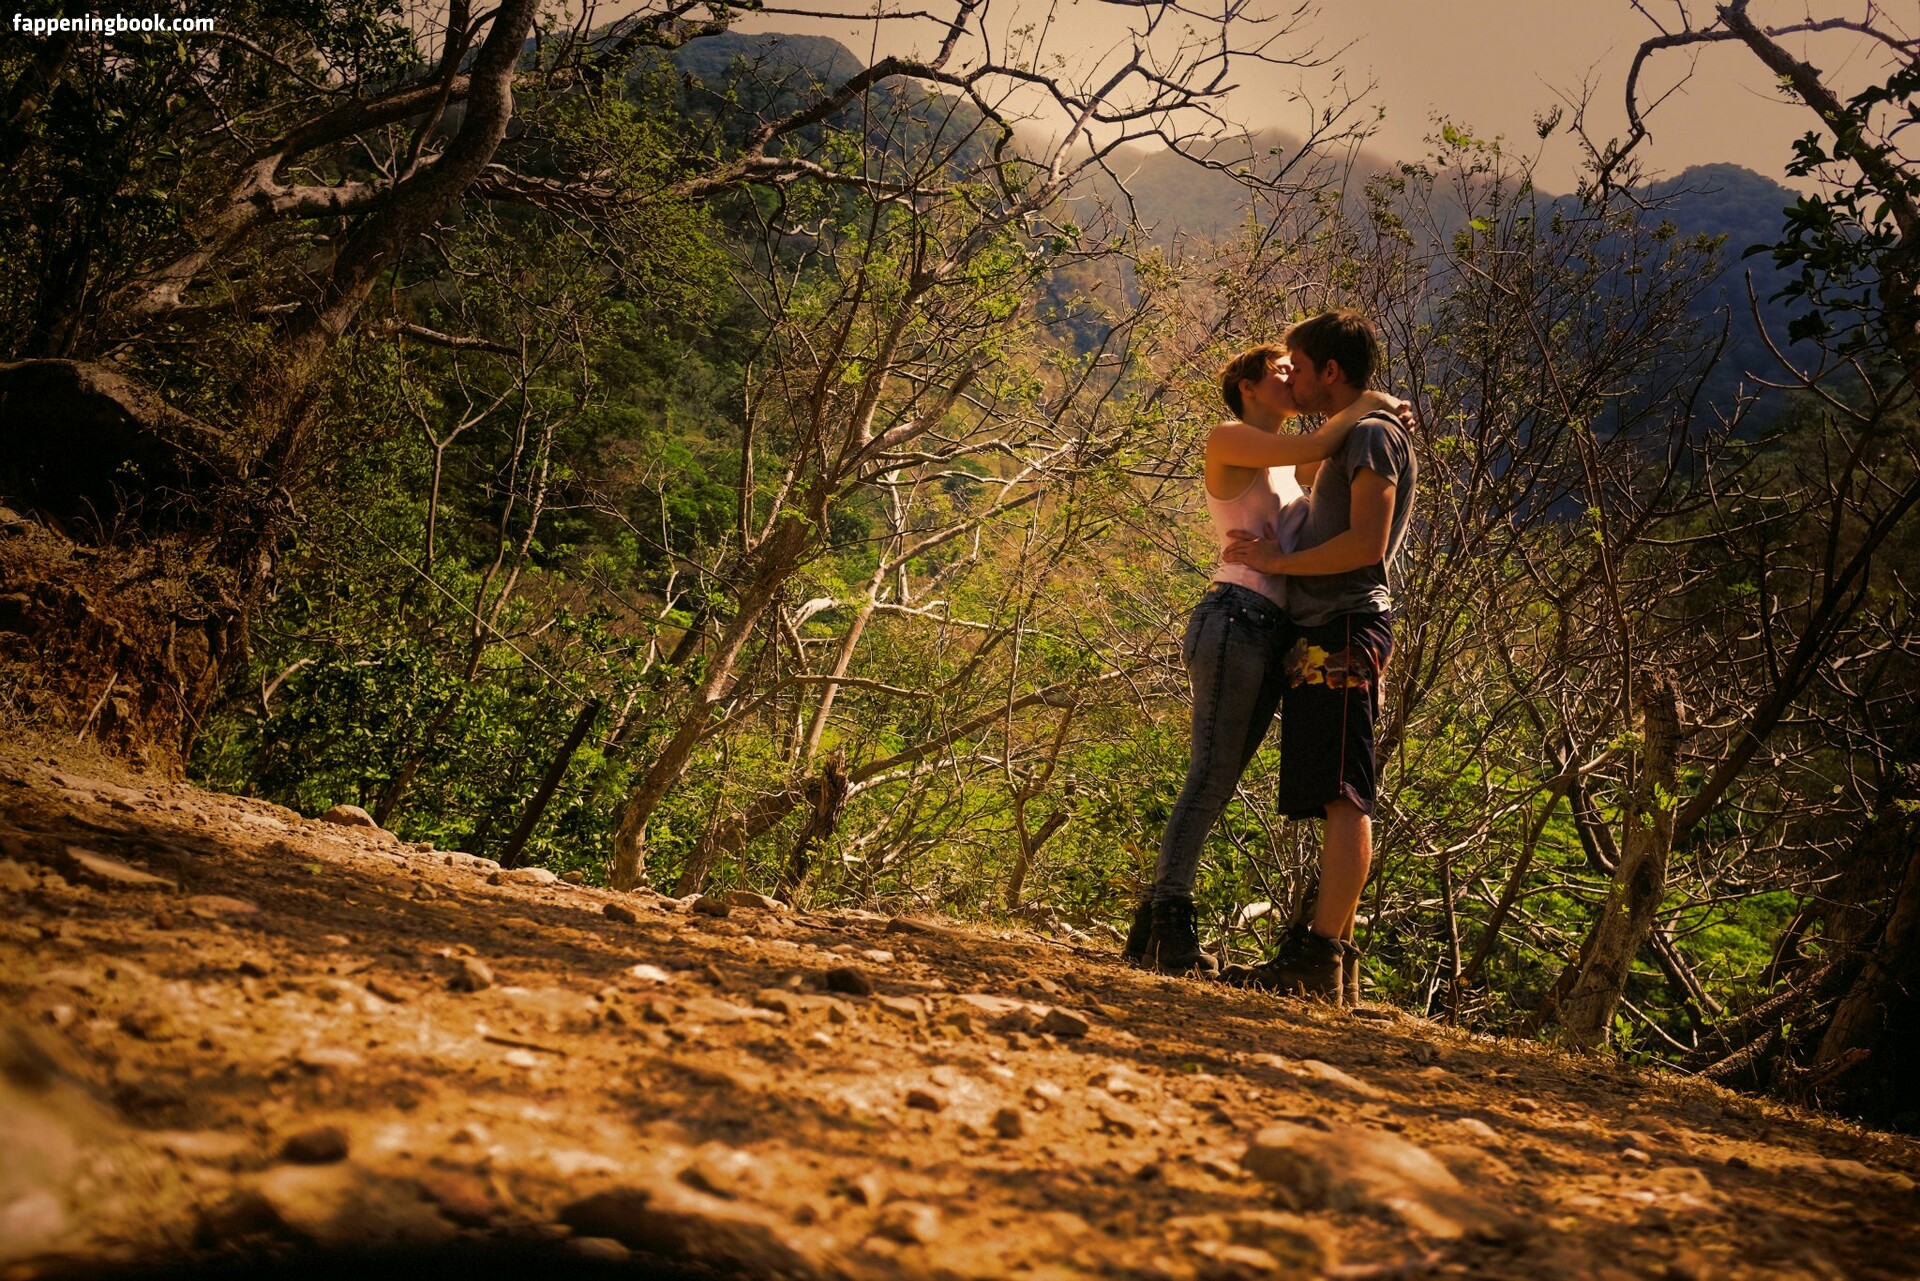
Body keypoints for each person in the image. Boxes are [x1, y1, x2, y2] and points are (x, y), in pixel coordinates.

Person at [1126, 342, 1412, 975]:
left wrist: (1383, 418)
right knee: (1210, 773)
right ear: (1248, 388)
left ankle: (1150, 925)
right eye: (1278, 371)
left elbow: (1335, 463)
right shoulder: (1229, 438)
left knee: (1220, 776)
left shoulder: (1288, 464)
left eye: (1294, 367)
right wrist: (1376, 401)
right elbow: (1324, 441)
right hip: (1235, 614)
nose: (1290, 377)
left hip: (1275, 629)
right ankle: (1170, 919)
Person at [1218, 309, 1418, 1001]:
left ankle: (1320, 956)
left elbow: (1366, 544)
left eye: (1299, 368)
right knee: (1333, 789)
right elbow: (1304, 459)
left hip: (1345, 624)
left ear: (1329, 370)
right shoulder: (1356, 433)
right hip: (1325, 628)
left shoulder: (1370, 437)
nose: (1292, 378)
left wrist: (1278, 561)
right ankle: (1331, 963)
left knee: (1344, 794)